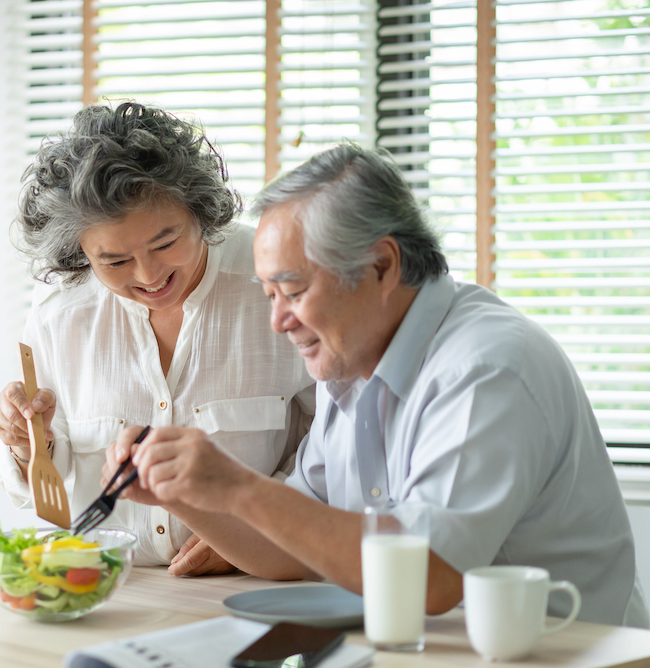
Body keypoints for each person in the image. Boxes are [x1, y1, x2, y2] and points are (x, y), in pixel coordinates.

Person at [110, 142, 650, 626]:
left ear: (382, 265)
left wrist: (239, 486)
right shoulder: (351, 366)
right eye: (269, 296)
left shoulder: (486, 368)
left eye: (293, 291)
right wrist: (182, 492)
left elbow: (428, 576)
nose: (278, 322)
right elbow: (290, 550)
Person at [0, 102, 315, 574]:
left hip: (254, 589)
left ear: (200, 211)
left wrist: (257, 534)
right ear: (79, 251)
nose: (149, 275)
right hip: (107, 592)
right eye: (115, 262)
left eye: (166, 243)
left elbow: (332, 446)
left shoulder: (277, 283)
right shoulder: (58, 317)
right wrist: (26, 447)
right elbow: (50, 491)